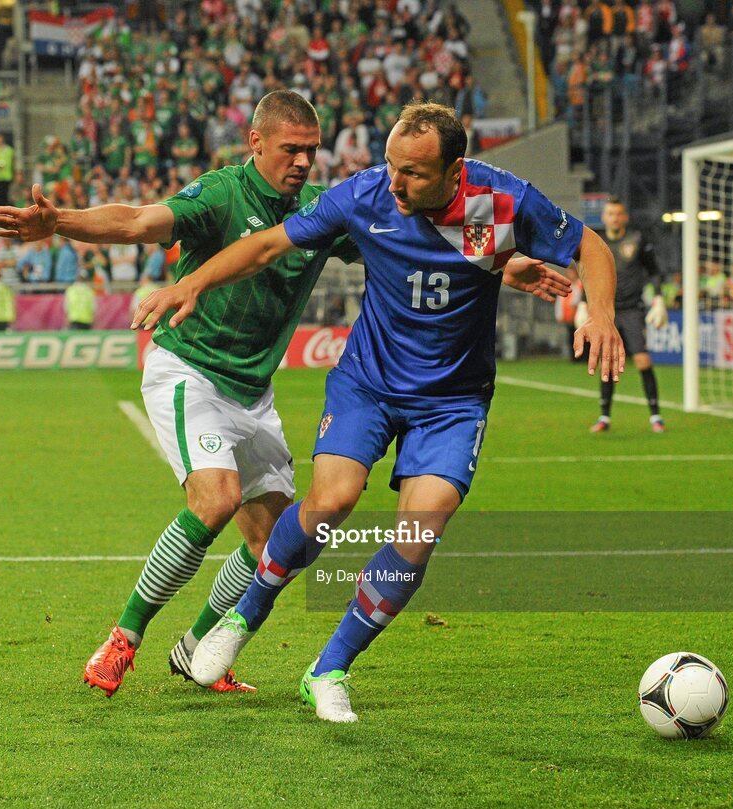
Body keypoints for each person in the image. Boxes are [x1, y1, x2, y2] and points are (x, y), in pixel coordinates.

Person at [0, 91, 562, 699]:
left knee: (280, 540)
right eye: (292, 149)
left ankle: (197, 648)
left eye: (312, 150)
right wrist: (61, 223)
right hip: (191, 372)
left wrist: (504, 262)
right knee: (215, 501)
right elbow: (138, 221)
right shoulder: (221, 193)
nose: (305, 162)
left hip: (253, 393)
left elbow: (419, 236)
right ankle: (124, 637)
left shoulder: (322, 209)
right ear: (255, 143)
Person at [134, 102, 623, 722]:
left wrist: (598, 313)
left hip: (452, 400)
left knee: (419, 534)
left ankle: (329, 668)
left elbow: (589, 246)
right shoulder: (365, 195)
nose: (394, 183)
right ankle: (242, 616)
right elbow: (265, 246)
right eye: (390, 165)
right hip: (368, 381)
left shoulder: (500, 202)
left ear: (454, 172)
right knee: (330, 502)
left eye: (412, 174)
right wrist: (194, 282)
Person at [579, 197, 666, 433]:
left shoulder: (637, 239)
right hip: (605, 311)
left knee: (642, 360)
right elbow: (585, 272)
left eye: (618, 214)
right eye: (610, 214)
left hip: (632, 309)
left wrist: (658, 297)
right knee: (607, 362)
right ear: (604, 217)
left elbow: (654, 271)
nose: (615, 218)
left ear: (624, 217)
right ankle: (604, 417)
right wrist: (581, 303)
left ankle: (656, 416)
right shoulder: (597, 241)